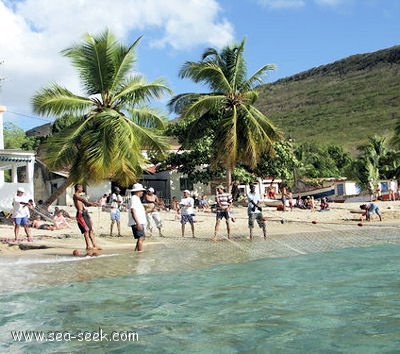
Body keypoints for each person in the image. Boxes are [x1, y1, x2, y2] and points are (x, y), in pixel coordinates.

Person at [73, 184, 101, 253]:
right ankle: (88, 246)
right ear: (78, 188)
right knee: (86, 230)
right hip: (80, 215)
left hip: (84, 213)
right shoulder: (75, 195)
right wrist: (91, 203)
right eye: (82, 188)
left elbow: (85, 204)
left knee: (91, 230)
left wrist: (93, 204)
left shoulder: (79, 196)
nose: (82, 189)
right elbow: (84, 201)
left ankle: (94, 245)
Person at [128, 183, 147, 252]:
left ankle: (136, 252)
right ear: (138, 191)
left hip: (139, 221)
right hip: (137, 222)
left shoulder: (136, 199)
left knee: (141, 238)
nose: (142, 192)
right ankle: (139, 253)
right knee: (141, 238)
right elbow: (133, 211)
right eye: (141, 191)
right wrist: (137, 223)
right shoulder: (134, 198)